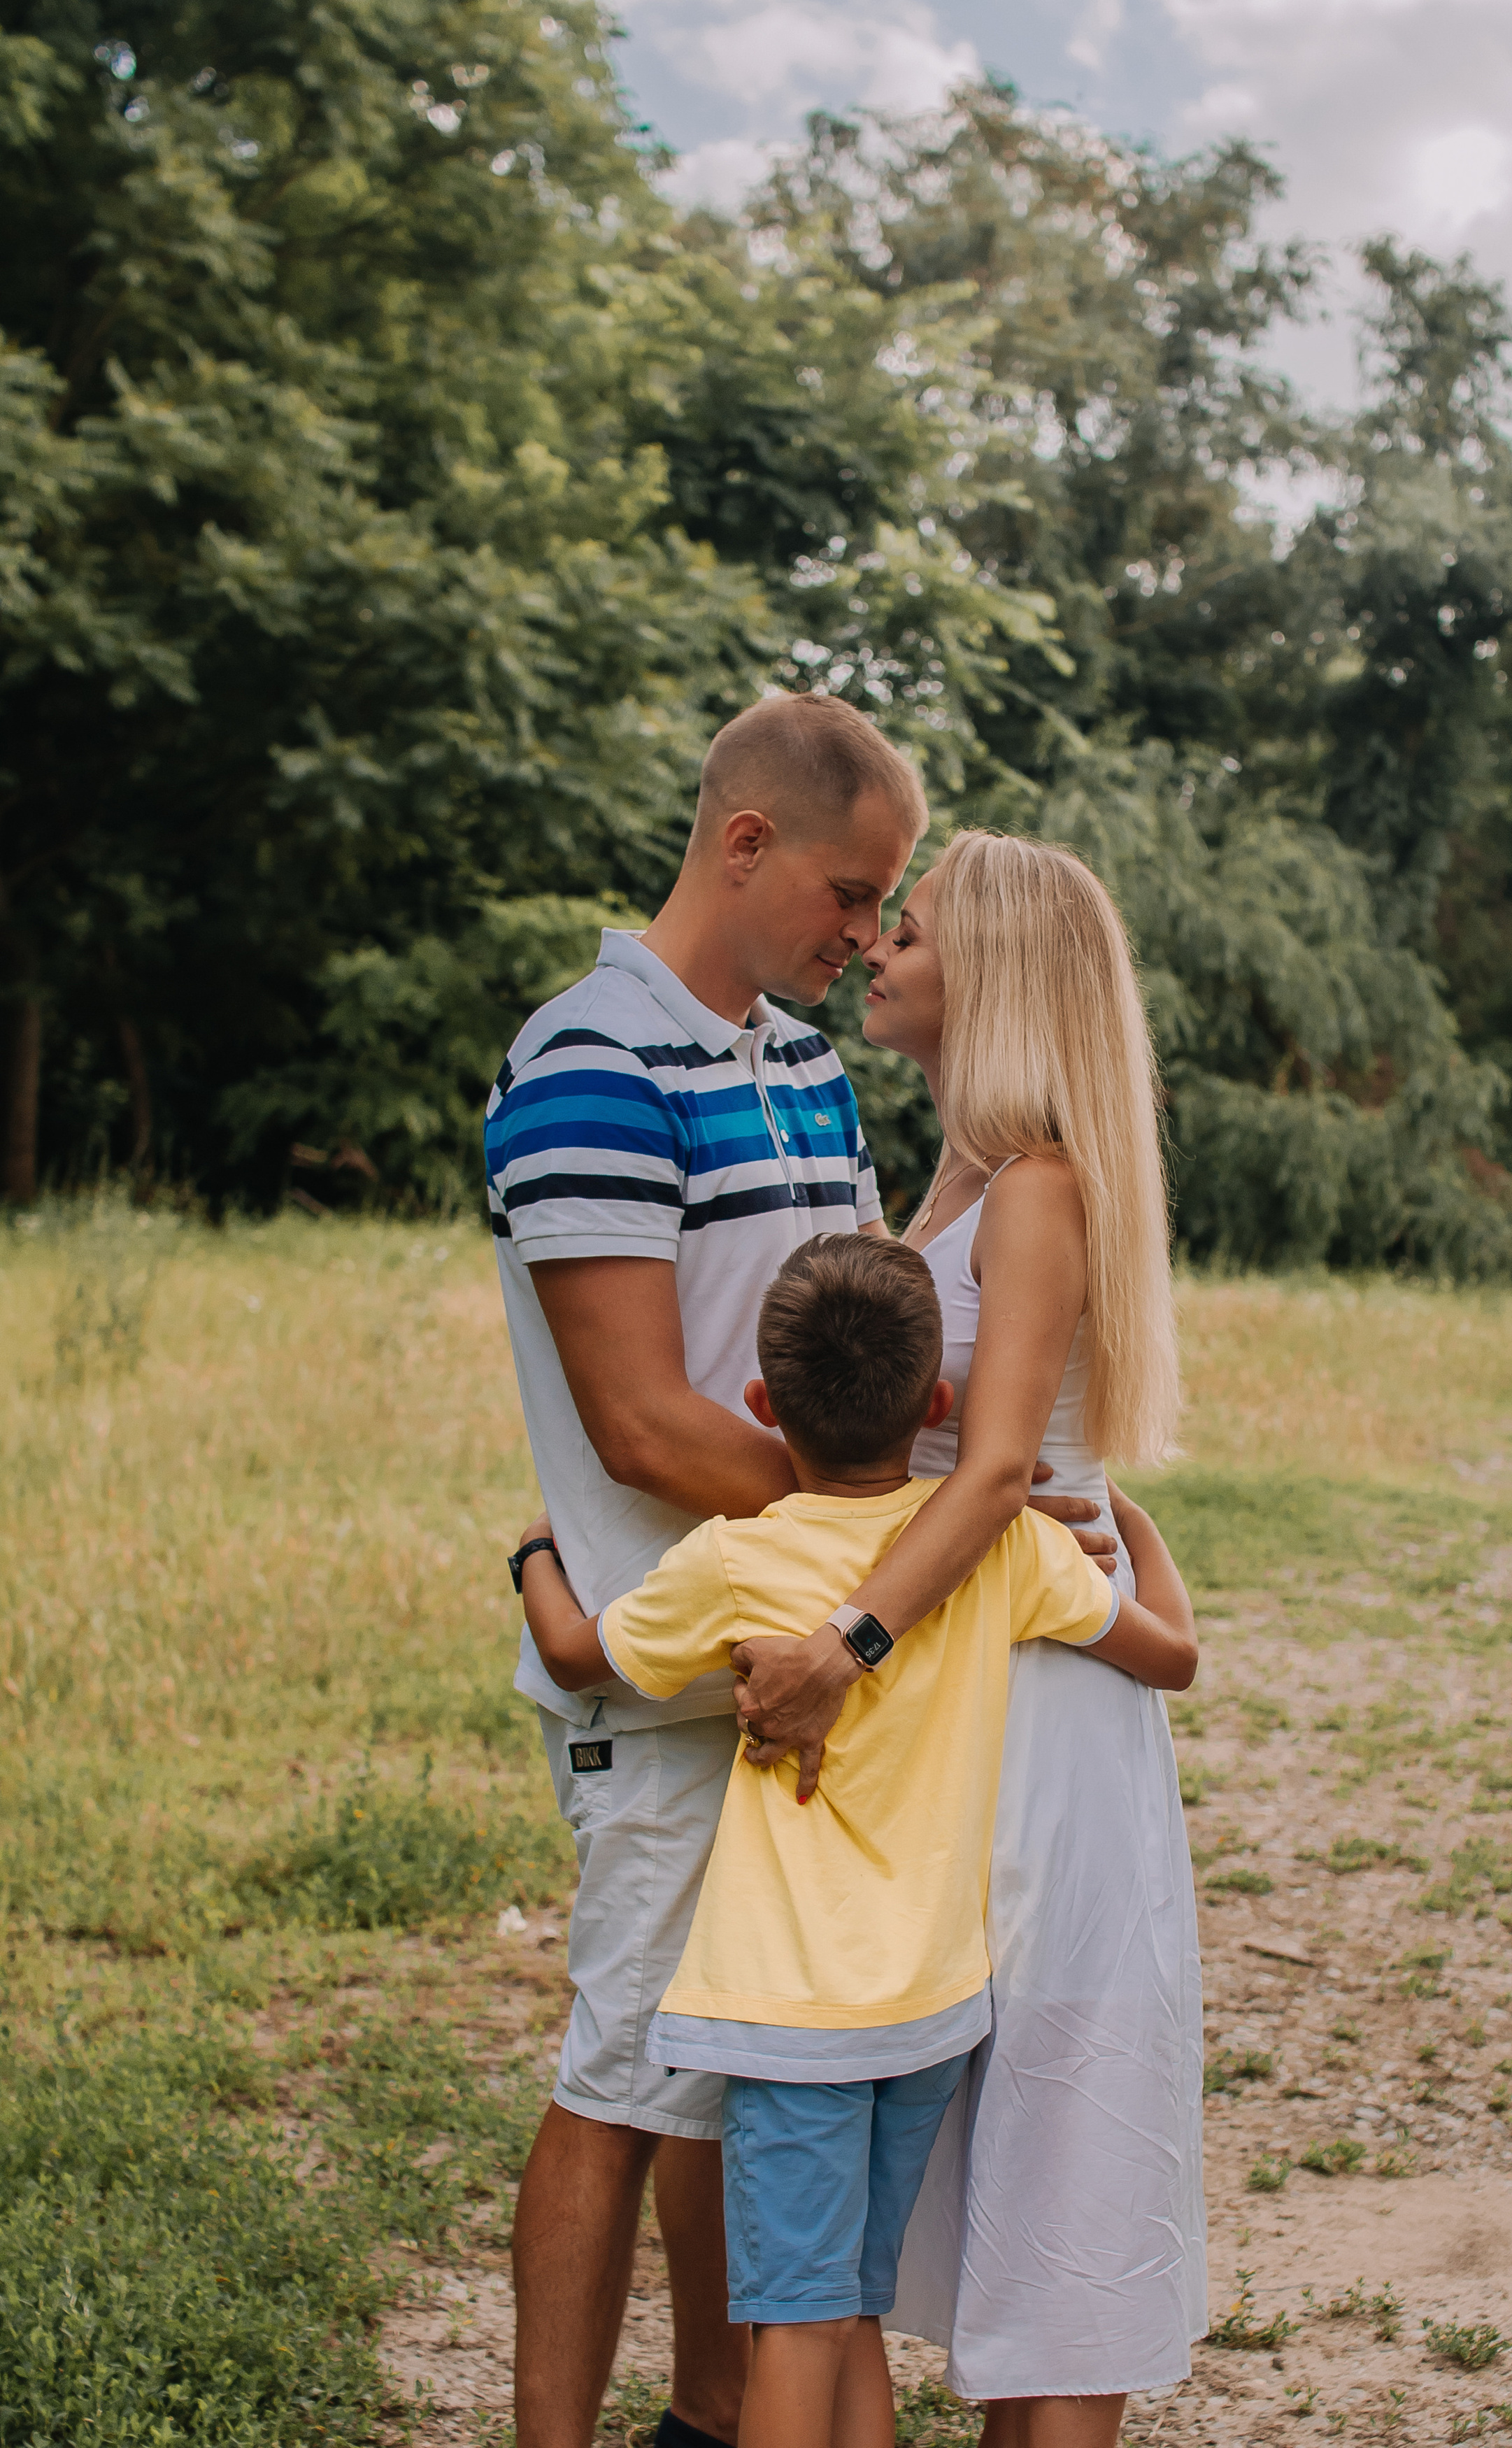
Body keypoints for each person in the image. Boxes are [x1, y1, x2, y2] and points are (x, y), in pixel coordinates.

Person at [511, 1233, 1197, 2448]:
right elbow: (1171, 1657)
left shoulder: (735, 1560)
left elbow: (578, 1657)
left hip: (787, 2015)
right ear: (937, 1404)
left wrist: (533, 1557)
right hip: (932, 2006)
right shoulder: (996, 1548)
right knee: (855, 2308)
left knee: (798, 2322)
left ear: (764, 1409)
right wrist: (1127, 1518)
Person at [483, 690, 928, 2448]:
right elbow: (643, 1423)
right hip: (666, 1672)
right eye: (847, 890)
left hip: (807, 1654)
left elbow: (865, 1339)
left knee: (740, 2084)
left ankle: (714, 2422)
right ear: (742, 844)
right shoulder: (586, 1057)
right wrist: (871, 1520)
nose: (865, 934)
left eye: (884, 904)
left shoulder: (806, 1064)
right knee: (618, 2080)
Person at [732, 832, 1207, 2448]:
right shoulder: (951, 1181)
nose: (875, 947)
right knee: (946, 2154)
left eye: (909, 930)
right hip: (963, 1691)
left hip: (1033, 1708)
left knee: (1057, 2168)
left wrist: (841, 1641)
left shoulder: (1038, 1186)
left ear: (992, 973)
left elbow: (1002, 1464)